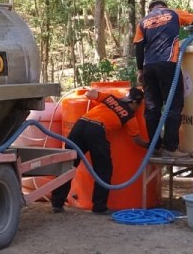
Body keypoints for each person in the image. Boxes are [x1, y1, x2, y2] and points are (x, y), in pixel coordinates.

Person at [133, 0, 193, 158]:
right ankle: (171, 148)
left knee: (152, 108)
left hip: (149, 67)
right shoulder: (173, 13)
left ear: (150, 9)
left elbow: (139, 47)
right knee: (173, 105)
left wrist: (140, 70)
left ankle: (155, 146)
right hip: (168, 63)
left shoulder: (143, 21)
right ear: (164, 6)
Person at [50, 87, 148, 215]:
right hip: (96, 130)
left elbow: (89, 94)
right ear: (135, 102)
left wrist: (93, 91)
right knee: (104, 169)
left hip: (80, 124)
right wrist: (150, 145)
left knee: (67, 165)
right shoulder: (130, 117)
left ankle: (57, 203)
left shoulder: (111, 98)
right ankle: (99, 206)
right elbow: (137, 140)